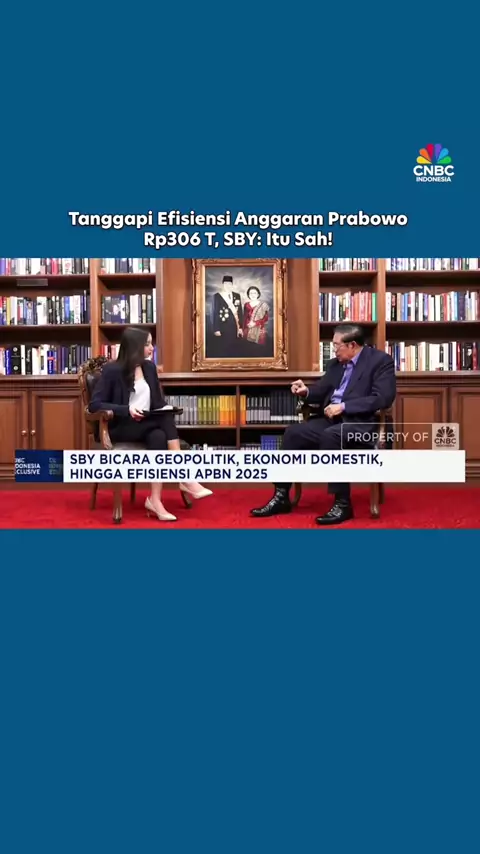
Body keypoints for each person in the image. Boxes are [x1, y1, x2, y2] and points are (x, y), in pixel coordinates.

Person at [250, 324, 396, 525]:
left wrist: (344, 407)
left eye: (337, 345)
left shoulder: (380, 361)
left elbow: (383, 398)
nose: (334, 349)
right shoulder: (335, 364)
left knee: (331, 435)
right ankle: (281, 495)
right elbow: (322, 389)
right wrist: (306, 392)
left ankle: (342, 504)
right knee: (293, 433)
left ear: (352, 345)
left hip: (363, 424)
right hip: (332, 421)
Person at [89, 327, 212, 522]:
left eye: (151, 343)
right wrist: (126, 409)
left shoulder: (149, 368)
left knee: (160, 435)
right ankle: (184, 476)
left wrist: (166, 408)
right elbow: (94, 405)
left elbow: (157, 402)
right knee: (165, 420)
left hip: (146, 424)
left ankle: (155, 500)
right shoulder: (112, 370)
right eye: (147, 344)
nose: (151, 348)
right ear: (135, 346)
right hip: (121, 427)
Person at [207, 274, 244, 358]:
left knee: (235, 348)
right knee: (224, 348)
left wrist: (241, 327)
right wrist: (216, 329)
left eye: (229, 284)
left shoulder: (237, 295)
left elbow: (239, 311)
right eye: (226, 284)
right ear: (223, 284)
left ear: (232, 285)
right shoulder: (217, 296)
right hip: (223, 326)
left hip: (235, 326)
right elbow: (215, 313)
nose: (228, 285)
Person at [242, 286, 271, 355]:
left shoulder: (263, 305)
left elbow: (266, 319)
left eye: (254, 293)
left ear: (258, 294)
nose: (253, 295)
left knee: (258, 351)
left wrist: (255, 323)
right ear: (248, 295)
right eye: (251, 293)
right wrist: (243, 329)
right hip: (247, 329)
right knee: (246, 350)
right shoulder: (246, 305)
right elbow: (244, 318)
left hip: (259, 330)